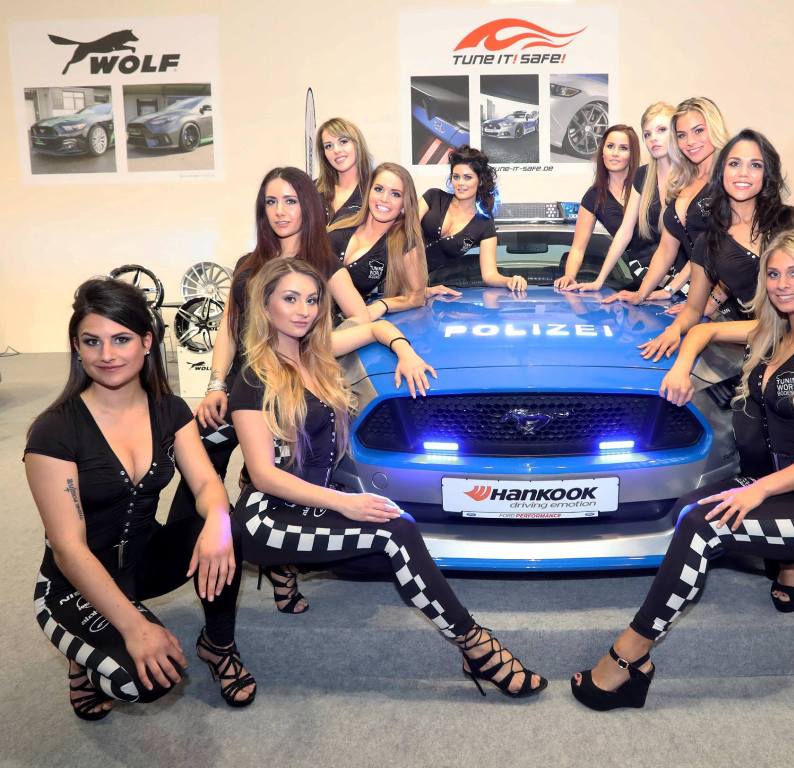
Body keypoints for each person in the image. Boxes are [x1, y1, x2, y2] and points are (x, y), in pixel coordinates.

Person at [571, 229, 794, 711]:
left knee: (702, 525)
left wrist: (758, 491)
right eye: (773, 274)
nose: (782, 284)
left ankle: (630, 657)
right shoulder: (773, 332)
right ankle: (791, 565)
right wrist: (679, 368)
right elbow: (702, 330)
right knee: (688, 509)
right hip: (780, 484)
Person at [229, 257, 546, 698]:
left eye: (312, 300)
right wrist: (346, 502)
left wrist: (406, 351)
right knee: (397, 533)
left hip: (315, 502)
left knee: (396, 542)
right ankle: (475, 646)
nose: (303, 310)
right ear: (266, 306)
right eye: (290, 299)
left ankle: (290, 567)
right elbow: (263, 476)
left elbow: (377, 327)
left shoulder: (316, 354)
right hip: (269, 514)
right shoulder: (252, 377)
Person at [24, 279, 256, 721]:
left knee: (229, 527)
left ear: (146, 342)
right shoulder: (54, 431)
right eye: (92, 341)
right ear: (76, 347)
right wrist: (134, 629)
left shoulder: (169, 410)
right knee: (145, 680)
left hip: (143, 562)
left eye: (121, 339)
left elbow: (206, 484)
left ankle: (218, 645)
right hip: (73, 583)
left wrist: (216, 522)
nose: (107, 354)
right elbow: (69, 549)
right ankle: (80, 660)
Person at [168, 167, 369, 535]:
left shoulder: (324, 264)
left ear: (307, 206)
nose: (280, 211)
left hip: (286, 393)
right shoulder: (248, 265)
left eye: (290, 201)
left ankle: (263, 555)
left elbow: (360, 319)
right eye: (271, 202)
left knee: (271, 477)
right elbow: (229, 327)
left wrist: (317, 345)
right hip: (239, 388)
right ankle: (202, 539)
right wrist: (215, 385)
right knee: (197, 457)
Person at [641, 129, 794, 358]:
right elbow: (693, 309)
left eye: (755, 165)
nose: (743, 173)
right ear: (721, 171)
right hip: (761, 346)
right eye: (734, 164)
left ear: (767, 174)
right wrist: (674, 330)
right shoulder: (708, 243)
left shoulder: (793, 221)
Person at [576, 97, 729, 304]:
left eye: (661, 130)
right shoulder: (644, 177)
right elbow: (629, 234)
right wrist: (600, 280)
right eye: (647, 134)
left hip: (711, 284)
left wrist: (676, 290)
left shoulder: (699, 178)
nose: (653, 139)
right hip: (668, 283)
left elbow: (711, 245)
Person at [555, 105, 681, 290]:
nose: (615, 153)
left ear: (632, 154)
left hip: (678, 269)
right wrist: (570, 276)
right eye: (610, 146)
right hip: (643, 274)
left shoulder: (647, 180)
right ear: (602, 151)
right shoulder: (594, 197)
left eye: (623, 148)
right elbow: (579, 247)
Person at [328, 162, 430, 318]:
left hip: (334, 322)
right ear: (369, 191)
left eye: (395, 194)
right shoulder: (344, 216)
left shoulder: (404, 244)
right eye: (378, 189)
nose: (384, 199)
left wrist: (382, 305)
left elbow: (416, 296)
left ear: (404, 204)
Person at [419, 145, 526, 292]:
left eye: (467, 177)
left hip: (423, 288)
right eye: (456, 177)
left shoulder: (484, 224)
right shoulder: (433, 197)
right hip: (394, 269)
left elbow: (489, 275)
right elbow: (404, 233)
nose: (460, 183)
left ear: (480, 181)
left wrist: (510, 280)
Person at [315, 117, 374, 224]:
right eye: (328, 146)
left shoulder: (375, 190)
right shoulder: (313, 189)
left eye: (343, 141)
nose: (336, 150)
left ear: (357, 144)